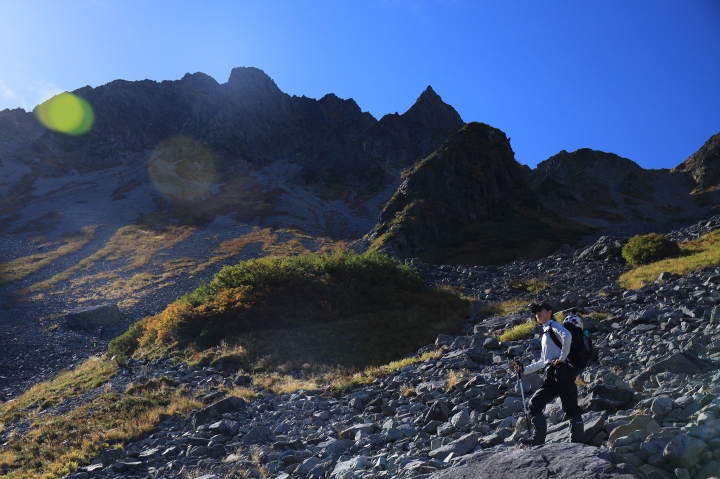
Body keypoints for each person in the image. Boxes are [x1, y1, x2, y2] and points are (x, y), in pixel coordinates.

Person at [512, 302, 584, 446]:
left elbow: (567, 335)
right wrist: (524, 370)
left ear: (549, 312)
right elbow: (543, 361)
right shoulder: (546, 332)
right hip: (552, 373)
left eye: (540, 310)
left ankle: (576, 445)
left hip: (562, 371)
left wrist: (562, 358)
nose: (536, 313)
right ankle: (537, 441)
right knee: (534, 404)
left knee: (570, 407)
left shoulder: (553, 325)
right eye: (535, 312)